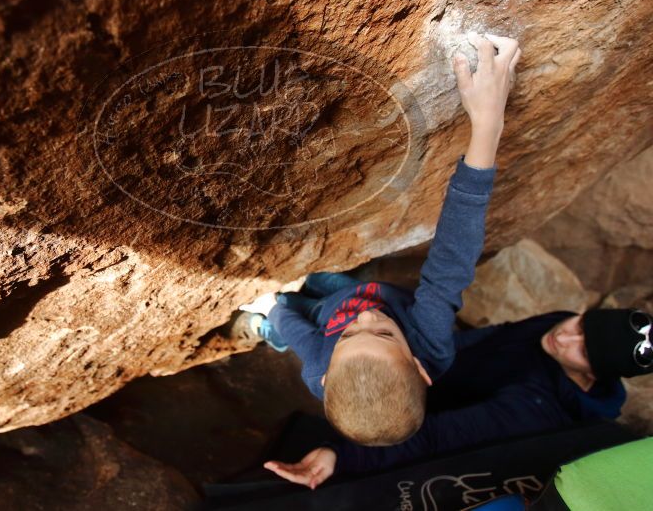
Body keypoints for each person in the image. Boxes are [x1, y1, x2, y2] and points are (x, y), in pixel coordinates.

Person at [246, 31, 521, 447]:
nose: (367, 319)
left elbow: (307, 335)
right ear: (420, 366)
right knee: (333, 285)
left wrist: (272, 306)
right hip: (350, 294)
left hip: (319, 321)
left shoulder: (319, 366)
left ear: (325, 375)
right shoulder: (431, 340)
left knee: (285, 317)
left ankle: (260, 330)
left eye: (350, 337)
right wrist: (487, 127)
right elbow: (451, 260)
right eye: (385, 335)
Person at [263, 307, 653, 490]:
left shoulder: (535, 411)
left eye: (582, 351)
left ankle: (273, 321)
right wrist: (419, 353)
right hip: (426, 372)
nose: (565, 337)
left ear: (593, 373)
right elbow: (490, 338)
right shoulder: (555, 329)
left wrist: (341, 454)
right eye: (581, 325)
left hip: (410, 409)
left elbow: (437, 437)